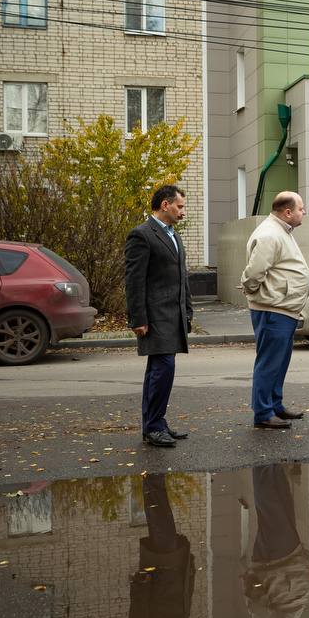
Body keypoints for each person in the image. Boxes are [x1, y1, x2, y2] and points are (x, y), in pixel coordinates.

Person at [124, 184, 193, 448]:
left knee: (159, 370)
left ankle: (156, 423)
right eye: (180, 206)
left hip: (173, 315)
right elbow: (134, 281)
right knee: (162, 369)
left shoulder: (174, 235)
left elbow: (182, 277)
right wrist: (138, 318)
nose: (183, 212)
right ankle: (153, 426)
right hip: (155, 316)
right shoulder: (141, 235)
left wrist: (187, 311)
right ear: (165, 205)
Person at [240, 191, 309, 429]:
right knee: (270, 362)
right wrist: (251, 289)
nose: (304, 212)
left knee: (279, 361)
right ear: (288, 212)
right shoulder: (270, 234)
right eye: (301, 208)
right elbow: (254, 272)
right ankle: (263, 412)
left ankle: (275, 405)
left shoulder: (281, 230)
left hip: (283, 308)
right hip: (273, 309)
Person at [241, 464, 309, 618]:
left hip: (277, 563)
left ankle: (262, 463)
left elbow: (257, 604)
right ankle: (271, 462)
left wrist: (256, 581)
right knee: (280, 502)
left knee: (270, 505)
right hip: (284, 561)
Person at [128, 473, 195, 618]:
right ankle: (153, 476)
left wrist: (141, 586)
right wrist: (189, 574)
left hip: (160, 576)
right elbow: (183, 611)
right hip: (174, 574)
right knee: (162, 523)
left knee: (161, 522)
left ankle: (153, 475)